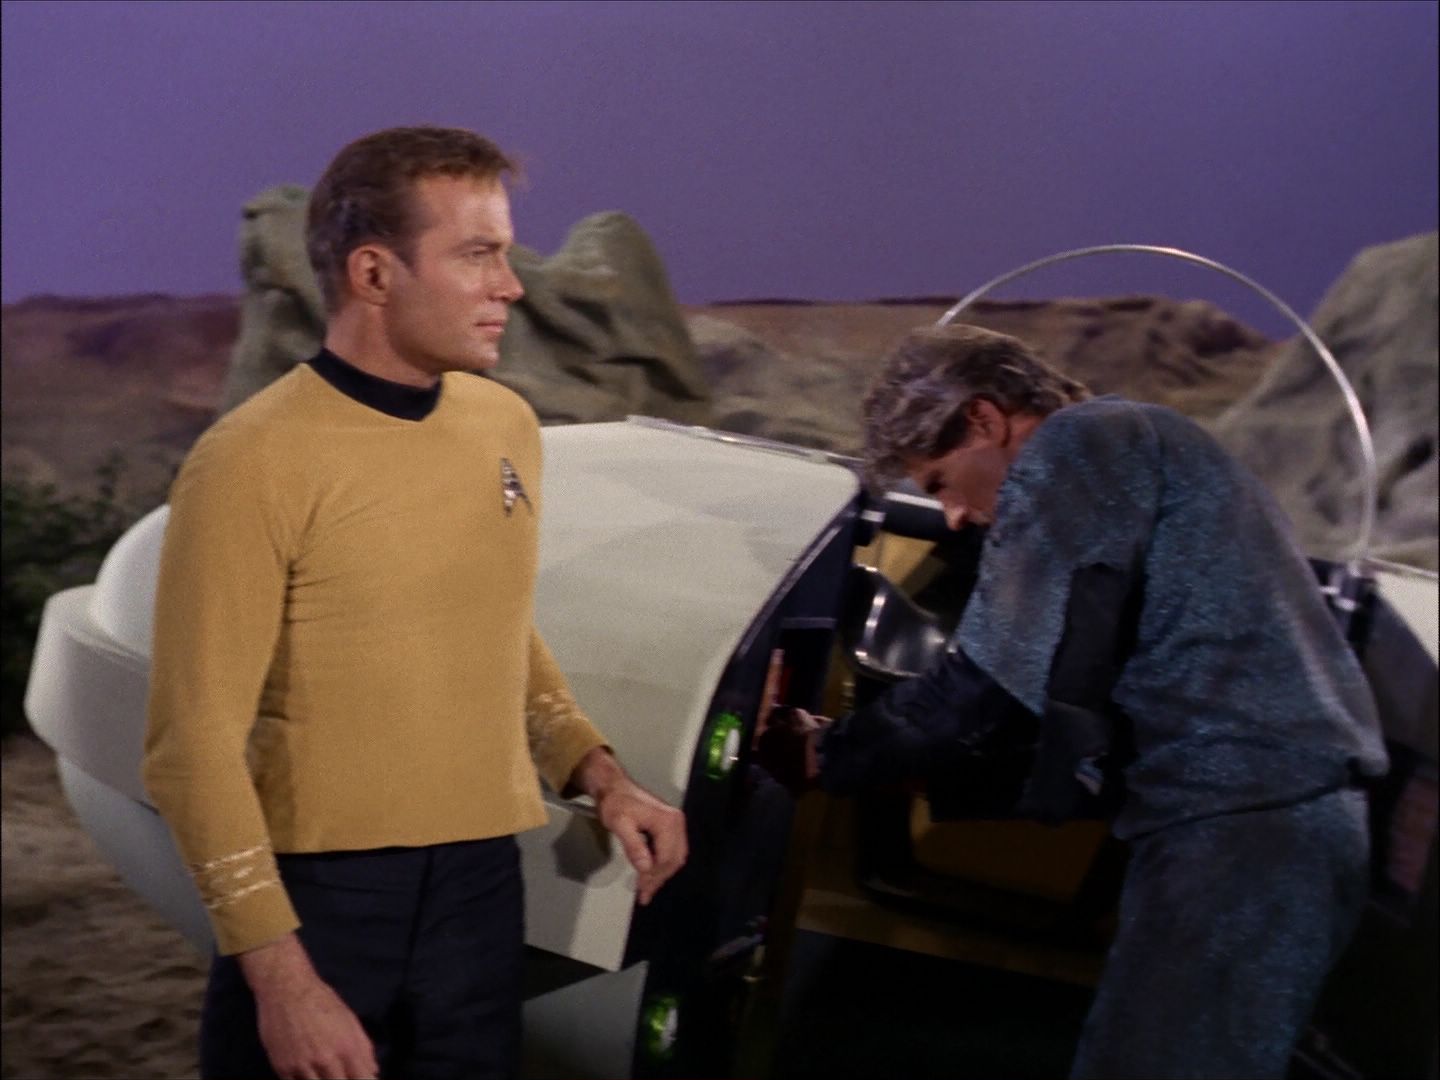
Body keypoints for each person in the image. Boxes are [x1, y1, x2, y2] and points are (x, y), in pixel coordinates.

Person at [142, 126, 687, 1080]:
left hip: (481, 889)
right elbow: (191, 748)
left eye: (506, 254)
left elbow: (496, 627)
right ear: (373, 273)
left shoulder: (504, 423)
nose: (511, 287)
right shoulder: (250, 461)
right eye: (477, 254)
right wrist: (284, 982)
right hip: (323, 901)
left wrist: (600, 774)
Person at [759, 324, 1388, 1079]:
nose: (951, 515)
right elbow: (1065, 696)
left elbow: (983, 690)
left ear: (984, 420)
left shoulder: (1079, 445)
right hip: (1267, 822)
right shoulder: (1143, 446)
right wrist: (908, 764)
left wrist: (822, 752)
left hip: (1248, 827)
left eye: (940, 481)